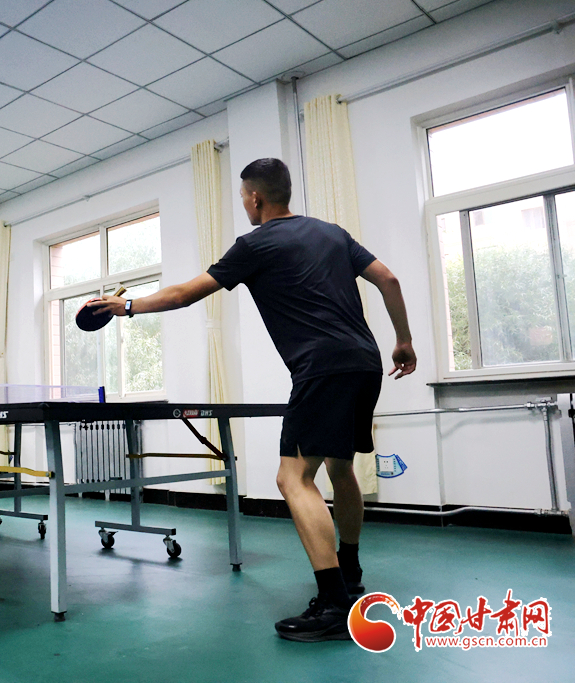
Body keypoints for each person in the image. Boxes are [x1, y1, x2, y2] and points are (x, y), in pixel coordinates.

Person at [87, 158, 416, 642]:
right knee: (340, 467)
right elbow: (389, 279)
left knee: (292, 477)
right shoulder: (332, 234)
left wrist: (127, 305)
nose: (244, 203)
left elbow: (184, 294)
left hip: (321, 368)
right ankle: (350, 572)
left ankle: (333, 605)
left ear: (256, 197)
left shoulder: (255, 245)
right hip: (364, 362)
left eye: (243, 196)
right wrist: (403, 341)